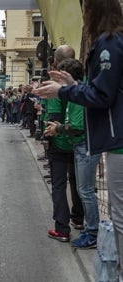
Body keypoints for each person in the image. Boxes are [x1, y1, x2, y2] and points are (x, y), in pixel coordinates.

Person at [33, 0, 123, 276]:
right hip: (113, 139)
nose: (83, 18)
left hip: (117, 141)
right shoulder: (110, 42)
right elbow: (101, 88)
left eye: (85, 10)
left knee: (118, 216)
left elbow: (103, 95)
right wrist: (73, 86)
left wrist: (63, 92)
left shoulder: (109, 43)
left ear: (94, 11)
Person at [44, 58, 101, 249]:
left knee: (84, 190)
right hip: (79, 146)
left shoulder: (76, 96)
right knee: (81, 188)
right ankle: (85, 226)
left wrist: (57, 129)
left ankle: (91, 233)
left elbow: (76, 125)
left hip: (81, 146)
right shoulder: (76, 94)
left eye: (60, 76)